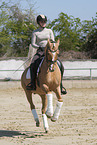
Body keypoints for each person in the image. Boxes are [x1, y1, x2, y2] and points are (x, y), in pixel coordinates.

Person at [26, 14, 67, 95]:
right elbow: (33, 43)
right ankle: (32, 84)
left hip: (49, 51)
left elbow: (53, 40)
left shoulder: (49, 31)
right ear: (38, 22)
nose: (43, 23)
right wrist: (39, 46)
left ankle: (60, 85)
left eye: (44, 21)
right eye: (42, 21)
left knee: (60, 64)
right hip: (40, 51)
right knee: (33, 64)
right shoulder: (35, 32)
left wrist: (52, 47)